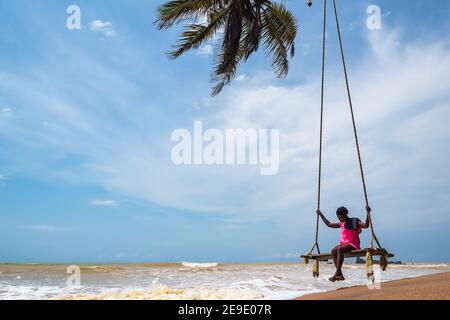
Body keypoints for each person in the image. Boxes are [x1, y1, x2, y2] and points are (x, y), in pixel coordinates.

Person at [316, 206, 371, 282]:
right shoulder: (341, 223)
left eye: (340, 216)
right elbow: (329, 224)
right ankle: (340, 274)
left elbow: (366, 225)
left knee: (340, 249)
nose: (339, 218)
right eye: (338, 216)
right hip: (344, 244)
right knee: (333, 250)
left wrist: (368, 213)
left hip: (353, 244)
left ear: (345, 215)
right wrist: (320, 214)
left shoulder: (354, 221)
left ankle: (337, 273)